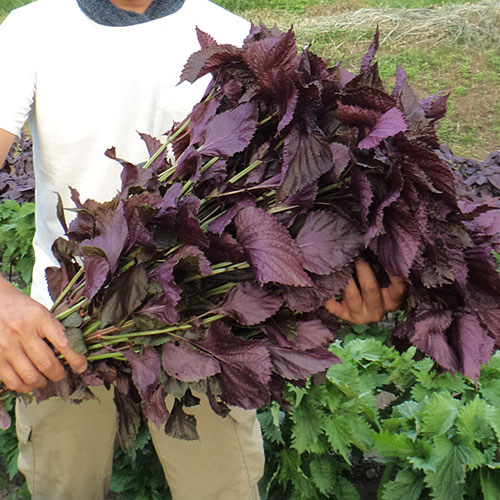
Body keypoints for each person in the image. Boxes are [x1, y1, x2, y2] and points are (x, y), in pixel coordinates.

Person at [0, 0, 406, 498]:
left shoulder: (231, 38)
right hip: (60, 329)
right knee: (64, 487)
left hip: (201, 327)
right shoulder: (32, 30)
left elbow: (281, 202)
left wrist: (351, 277)